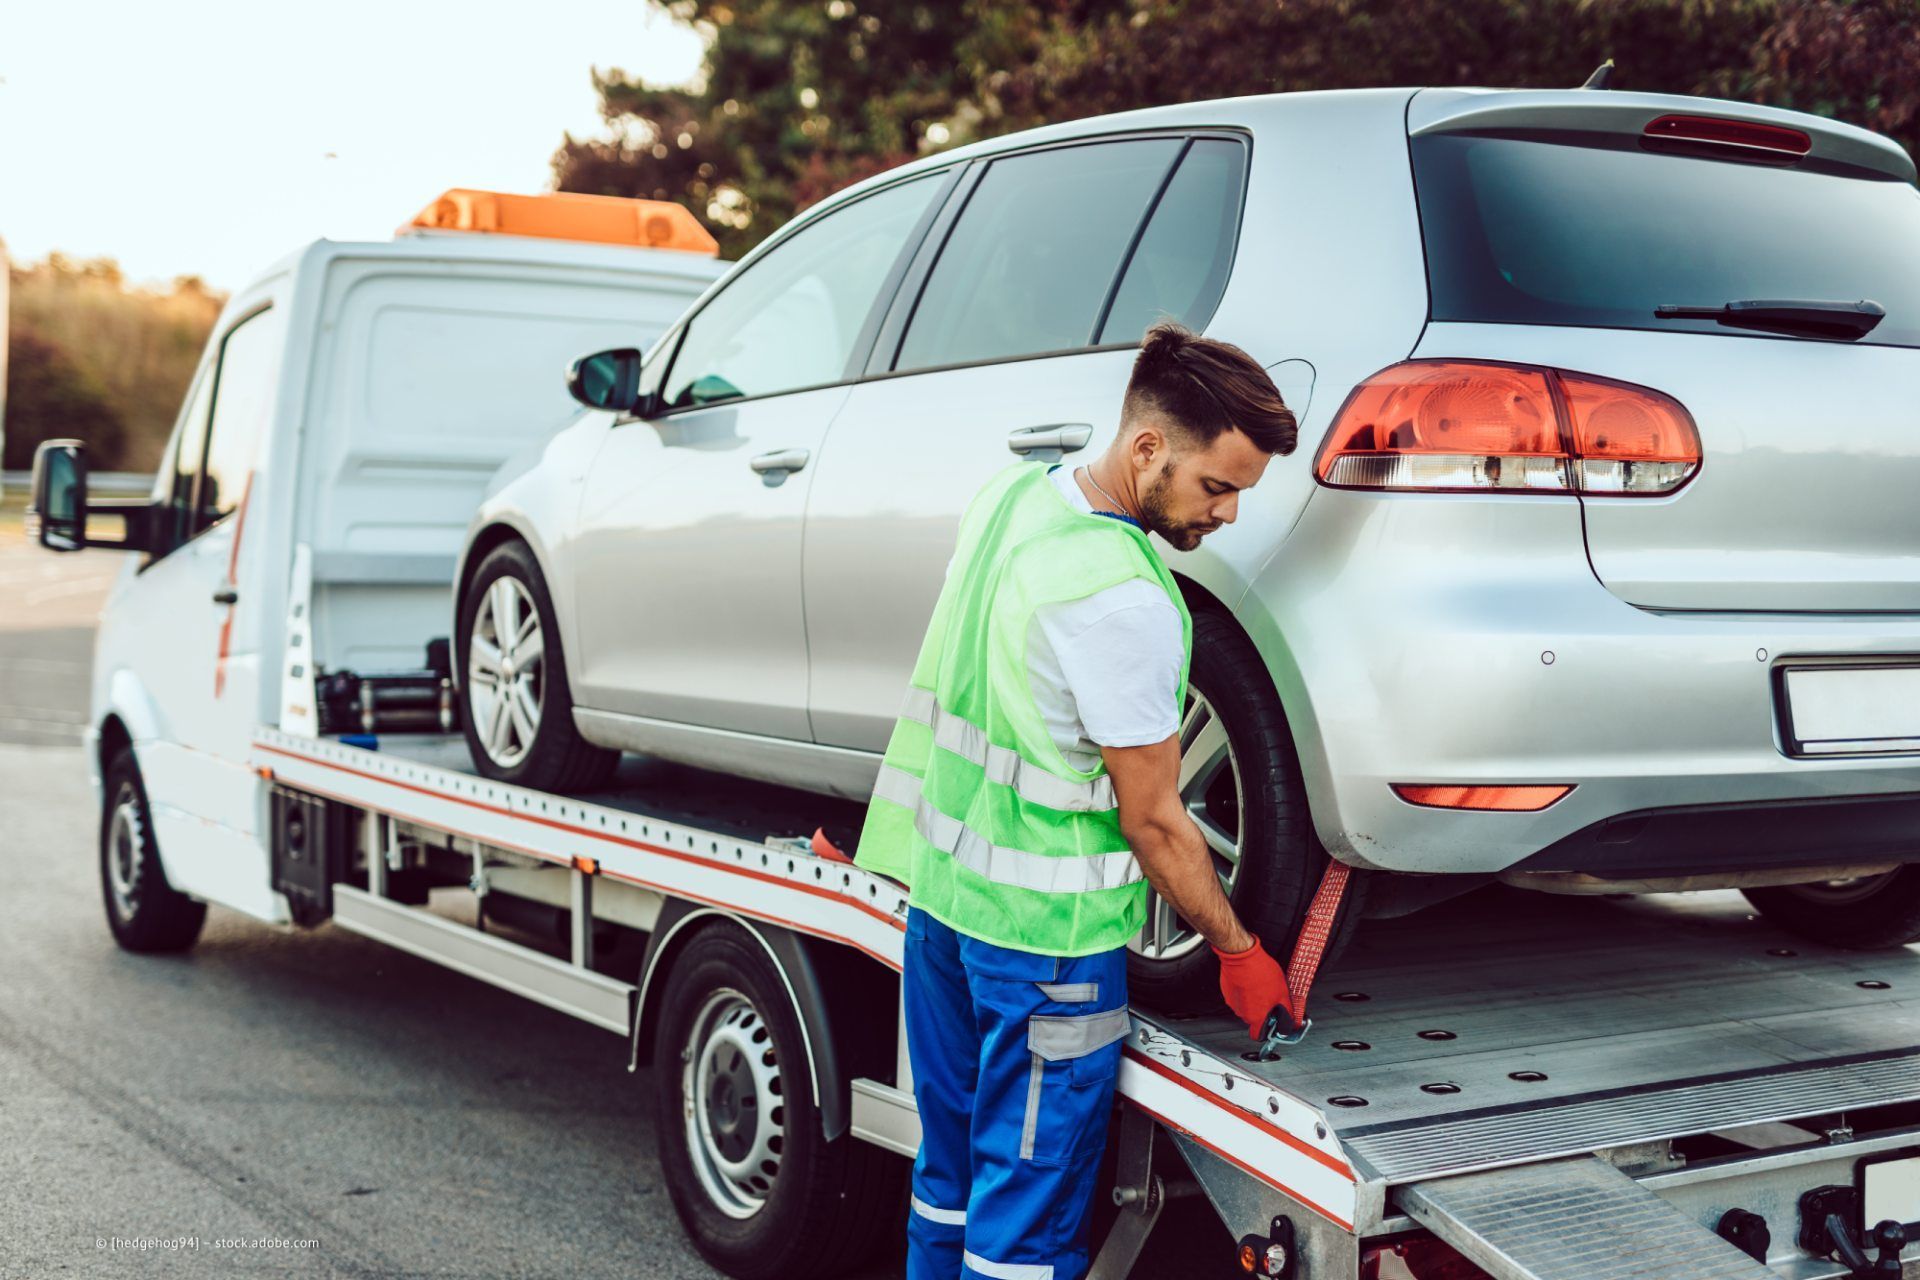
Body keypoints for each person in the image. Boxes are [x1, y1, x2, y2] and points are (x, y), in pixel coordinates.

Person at [853, 320, 1303, 1280]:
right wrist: (1237, 949)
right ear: (1149, 449)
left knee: (948, 1184)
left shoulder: (1013, 498)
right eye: (1216, 486)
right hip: (1043, 957)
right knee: (1023, 1235)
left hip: (941, 916)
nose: (1226, 514)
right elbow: (1154, 820)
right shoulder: (1123, 598)